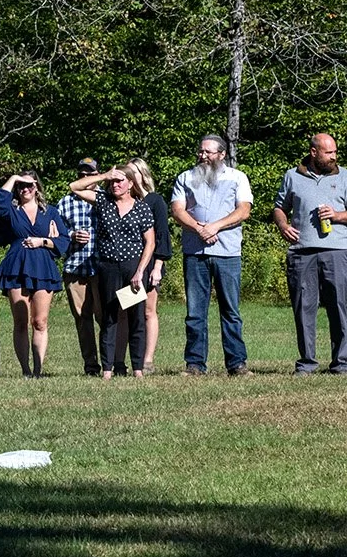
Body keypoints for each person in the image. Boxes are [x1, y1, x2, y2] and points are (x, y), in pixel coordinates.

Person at [171, 135, 254, 376]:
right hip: (195, 252)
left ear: (222, 154)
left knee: (230, 310)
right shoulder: (185, 177)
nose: (203, 156)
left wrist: (214, 227)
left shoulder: (237, 178)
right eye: (201, 151)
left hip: (227, 252)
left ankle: (237, 364)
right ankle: (195, 364)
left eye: (208, 152)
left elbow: (243, 210)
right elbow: (178, 210)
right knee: (195, 312)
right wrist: (199, 229)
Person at [69, 164, 157, 378]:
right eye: (112, 182)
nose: (115, 185)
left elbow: (150, 242)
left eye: (120, 181)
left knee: (136, 317)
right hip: (108, 268)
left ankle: (137, 368)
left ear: (130, 184)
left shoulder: (141, 207)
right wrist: (105, 175)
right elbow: (75, 187)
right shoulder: (103, 202)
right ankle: (107, 369)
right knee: (109, 318)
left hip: (133, 268)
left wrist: (139, 272)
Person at [272, 133, 347, 373]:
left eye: (335, 152)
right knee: (304, 308)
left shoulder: (345, 176)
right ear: (314, 152)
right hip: (302, 252)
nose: (334, 156)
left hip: (337, 251)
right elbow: (279, 208)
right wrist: (283, 226)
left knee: (340, 306)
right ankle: (307, 363)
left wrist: (337, 216)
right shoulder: (292, 176)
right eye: (329, 152)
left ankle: (342, 363)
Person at [0, 171, 68, 377]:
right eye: (21, 186)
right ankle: (25, 370)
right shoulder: (12, 211)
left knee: (40, 321)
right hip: (16, 267)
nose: (25, 189)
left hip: (43, 267)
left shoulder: (50, 212)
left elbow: (63, 241)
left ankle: (38, 369)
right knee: (21, 321)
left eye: (30, 185)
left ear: (37, 188)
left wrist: (42, 241)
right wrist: (15, 178)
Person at [115, 157, 171, 373]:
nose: (130, 177)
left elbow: (162, 235)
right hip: (127, 264)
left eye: (134, 173)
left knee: (147, 311)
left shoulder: (154, 201)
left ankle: (147, 360)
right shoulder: (122, 201)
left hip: (149, 266)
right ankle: (119, 360)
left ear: (142, 176)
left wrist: (157, 267)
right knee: (125, 311)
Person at [56, 157, 103, 375]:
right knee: (82, 319)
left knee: (105, 316)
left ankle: (111, 362)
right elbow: (56, 233)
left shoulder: (108, 197)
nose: (85, 177)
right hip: (75, 267)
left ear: (98, 174)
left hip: (102, 266)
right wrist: (72, 235)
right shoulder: (66, 202)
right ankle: (91, 365)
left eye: (90, 174)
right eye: (82, 174)